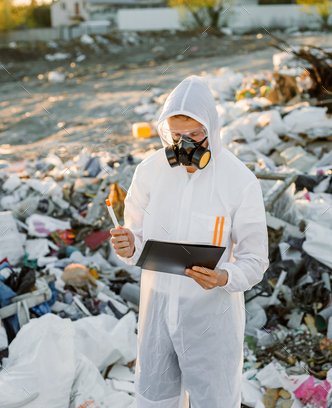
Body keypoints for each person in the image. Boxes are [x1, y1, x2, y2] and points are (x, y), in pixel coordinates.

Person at [109, 75, 269, 408]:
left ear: (212, 129)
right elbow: (135, 240)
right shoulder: (151, 170)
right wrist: (127, 247)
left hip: (211, 320)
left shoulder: (239, 181)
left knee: (215, 402)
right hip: (156, 312)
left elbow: (256, 259)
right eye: (176, 135)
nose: (186, 144)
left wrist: (226, 277)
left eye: (195, 134)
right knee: (154, 401)